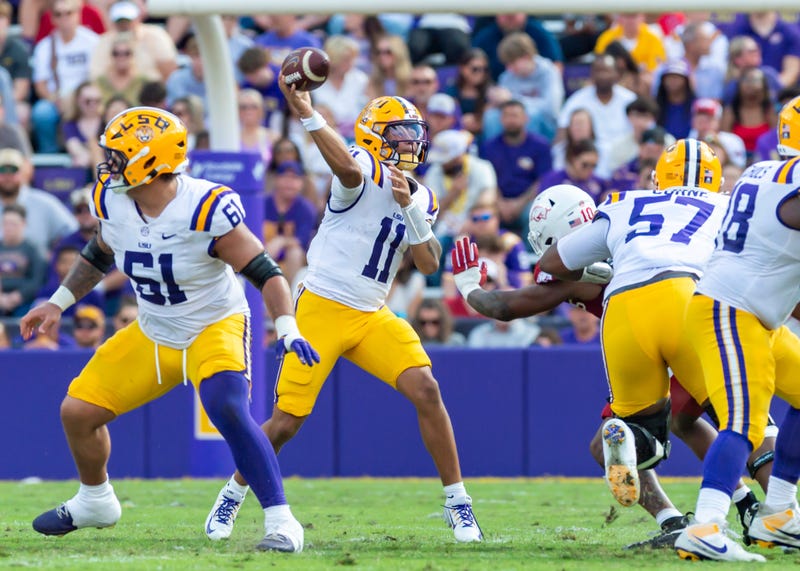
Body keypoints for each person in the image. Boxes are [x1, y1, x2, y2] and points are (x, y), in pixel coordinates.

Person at [20, 106, 319, 553]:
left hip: (212, 323)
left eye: (119, 155)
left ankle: (282, 521)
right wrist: (58, 301)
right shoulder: (113, 199)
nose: (108, 164)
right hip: (155, 329)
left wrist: (288, 326)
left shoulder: (203, 207)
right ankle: (96, 500)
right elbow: (102, 251)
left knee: (227, 407)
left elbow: (266, 272)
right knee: (78, 412)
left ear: (150, 162)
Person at [205, 79, 483, 544]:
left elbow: (430, 262)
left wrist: (409, 208)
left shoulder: (423, 195)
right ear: (375, 136)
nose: (410, 142)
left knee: (427, 389)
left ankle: (459, 504)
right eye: (399, 133)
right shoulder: (360, 165)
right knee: (286, 424)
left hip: (373, 313)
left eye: (413, 132)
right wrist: (310, 115)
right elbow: (349, 171)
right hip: (322, 307)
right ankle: (234, 492)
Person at [455, 175, 771, 549]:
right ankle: (761, 509)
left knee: (637, 437)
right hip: (688, 321)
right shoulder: (626, 222)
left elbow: (506, 305)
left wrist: (468, 287)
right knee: (725, 418)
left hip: (640, 337)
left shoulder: (581, 261)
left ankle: (699, 508)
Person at [673, 96, 800, 561]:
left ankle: (779, 514)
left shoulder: (761, 171)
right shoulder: (791, 182)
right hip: (730, 309)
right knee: (744, 422)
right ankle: (706, 526)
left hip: (755, 313)